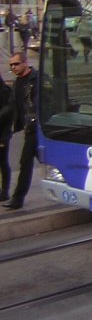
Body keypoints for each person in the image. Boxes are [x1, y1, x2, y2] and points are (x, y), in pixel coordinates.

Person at [3, 52, 39, 210]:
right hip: (29, 129)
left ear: (25, 63)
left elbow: (42, 103)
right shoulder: (17, 82)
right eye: (11, 65)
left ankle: (18, 198)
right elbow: (12, 107)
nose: (13, 67)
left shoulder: (37, 79)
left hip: (38, 128)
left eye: (16, 64)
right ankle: (18, 199)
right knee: (27, 162)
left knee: (26, 162)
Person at [0, 74, 14, 202]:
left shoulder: (5, 92)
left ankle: (4, 191)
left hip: (2, 134)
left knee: (3, 162)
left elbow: (8, 115)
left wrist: (4, 137)